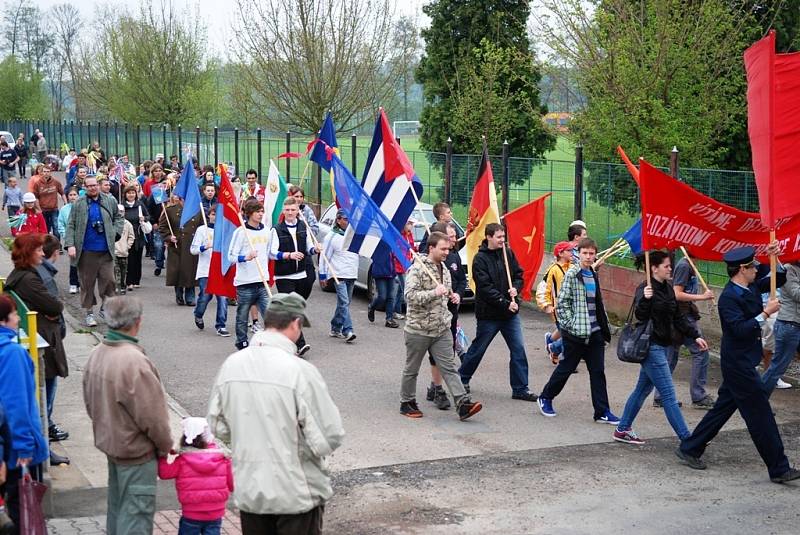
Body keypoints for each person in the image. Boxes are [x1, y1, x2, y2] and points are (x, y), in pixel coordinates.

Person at [207, 293, 344, 534]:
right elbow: (328, 436)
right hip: (296, 490)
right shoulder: (300, 371)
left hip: (251, 488)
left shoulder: (232, 365)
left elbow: (218, 426)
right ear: (295, 324)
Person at [677, 245, 800, 483]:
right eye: (752, 266)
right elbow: (739, 330)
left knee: (722, 409)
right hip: (738, 365)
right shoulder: (729, 298)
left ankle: (690, 448)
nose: (757, 268)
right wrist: (765, 314)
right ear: (742, 270)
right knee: (760, 414)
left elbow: (780, 276)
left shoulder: (751, 285)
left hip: (744, 361)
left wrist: (775, 256)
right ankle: (779, 468)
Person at [83, 296, 173, 533]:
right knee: (135, 519)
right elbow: (155, 420)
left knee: (117, 511)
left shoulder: (97, 353)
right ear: (137, 322)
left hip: (111, 446)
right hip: (136, 453)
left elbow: (90, 403)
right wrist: (165, 446)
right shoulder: (134, 361)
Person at [613, 251, 708, 445]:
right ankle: (688, 440)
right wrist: (646, 299)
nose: (670, 269)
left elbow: (677, 317)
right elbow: (640, 315)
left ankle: (622, 429)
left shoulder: (667, 288)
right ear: (654, 268)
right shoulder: (645, 288)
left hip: (663, 345)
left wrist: (695, 336)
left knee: (642, 390)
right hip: (651, 347)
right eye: (666, 266)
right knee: (668, 395)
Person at [401, 231, 483, 420]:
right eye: (443, 248)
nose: (447, 252)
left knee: (449, 367)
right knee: (411, 369)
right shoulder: (417, 269)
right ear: (431, 248)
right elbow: (409, 297)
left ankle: (462, 403)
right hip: (419, 329)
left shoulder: (444, 268)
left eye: (448, 248)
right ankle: (407, 402)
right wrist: (434, 293)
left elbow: (445, 290)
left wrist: (451, 295)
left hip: (441, 328)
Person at [537, 237, 620, 424]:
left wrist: (602, 326)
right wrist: (570, 325)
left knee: (598, 372)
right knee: (565, 368)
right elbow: (562, 302)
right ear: (578, 254)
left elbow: (597, 302)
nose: (589, 257)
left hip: (595, 332)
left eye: (592, 254)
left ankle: (602, 411)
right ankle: (545, 397)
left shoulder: (593, 273)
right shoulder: (572, 274)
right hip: (576, 333)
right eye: (585, 253)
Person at [4, 234, 70, 464]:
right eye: (39, 250)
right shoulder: (28, 279)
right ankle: (45, 451)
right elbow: (55, 304)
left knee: (45, 399)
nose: (43, 253)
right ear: (28, 253)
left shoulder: (25, 276)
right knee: (45, 401)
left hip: (44, 338)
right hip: (44, 343)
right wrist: (51, 310)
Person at [459, 223, 538, 401]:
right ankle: (462, 378)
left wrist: (516, 289)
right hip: (489, 315)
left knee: (518, 349)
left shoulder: (508, 253)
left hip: (510, 315)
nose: (503, 240)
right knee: (478, 349)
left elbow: (519, 274)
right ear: (489, 237)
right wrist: (504, 303)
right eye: (499, 237)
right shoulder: (479, 259)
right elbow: (485, 288)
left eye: (504, 237)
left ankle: (520, 388)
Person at [0, 294, 49, 533]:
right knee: (23, 513)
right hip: (15, 449)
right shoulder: (11, 354)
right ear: (3, 321)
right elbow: (15, 405)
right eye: (14, 314)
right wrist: (25, 446)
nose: (19, 318)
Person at [64, 174, 124, 327]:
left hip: (106, 251)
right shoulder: (79, 203)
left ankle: (105, 309)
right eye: (89, 186)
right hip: (86, 251)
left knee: (109, 282)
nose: (92, 188)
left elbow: (119, 217)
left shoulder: (109, 200)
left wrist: (115, 233)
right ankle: (89, 313)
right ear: (84, 187)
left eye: (94, 185)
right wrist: (70, 244)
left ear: (98, 185)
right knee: (87, 283)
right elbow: (71, 224)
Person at [158, 417, 233, 535]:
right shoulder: (223, 458)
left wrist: (162, 455)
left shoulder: (182, 460)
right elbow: (233, 485)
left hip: (191, 512)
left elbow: (164, 474)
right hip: (216, 512)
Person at [662, 253, 717, 409]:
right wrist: (703, 297)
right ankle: (698, 396)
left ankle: (661, 396)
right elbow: (677, 294)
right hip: (682, 317)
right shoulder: (684, 266)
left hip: (681, 316)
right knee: (701, 350)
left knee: (670, 356)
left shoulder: (689, 264)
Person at [31, 235, 70, 447]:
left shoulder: (36, 273)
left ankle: (46, 424)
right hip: (47, 336)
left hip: (44, 333)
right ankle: (46, 427)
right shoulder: (43, 275)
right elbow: (54, 308)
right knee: (48, 382)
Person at [270, 196, 319, 356]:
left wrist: (316, 250)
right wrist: (288, 255)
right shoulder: (276, 230)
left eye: (293, 210)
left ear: (298, 211)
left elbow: (309, 247)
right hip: (284, 275)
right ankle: (300, 344)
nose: (290, 212)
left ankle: (281, 331)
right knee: (292, 308)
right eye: (287, 210)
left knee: (297, 308)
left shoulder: (304, 227)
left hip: (302, 274)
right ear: (283, 211)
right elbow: (271, 253)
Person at [425, 221, 465, 410]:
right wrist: (436, 291)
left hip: (451, 314)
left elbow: (460, 281)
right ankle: (440, 389)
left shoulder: (454, 257)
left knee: (447, 353)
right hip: (433, 316)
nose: (454, 240)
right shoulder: (426, 263)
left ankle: (435, 386)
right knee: (438, 354)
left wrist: (458, 293)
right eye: (450, 236)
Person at [228, 198, 271, 350]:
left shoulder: (267, 231)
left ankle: (270, 342)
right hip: (245, 283)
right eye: (257, 212)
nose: (260, 214)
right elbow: (230, 257)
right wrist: (245, 257)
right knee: (242, 315)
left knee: (270, 315)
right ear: (249, 214)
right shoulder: (241, 232)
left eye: (262, 212)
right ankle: (242, 342)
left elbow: (270, 253)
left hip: (262, 281)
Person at [319, 209, 358, 343]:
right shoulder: (331, 236)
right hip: (338, 274)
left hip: (351, 274)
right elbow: (324, 257)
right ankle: (348, 330)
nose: (348, 222)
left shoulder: (354, 235)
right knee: (344, 302)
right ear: (338, 220)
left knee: (344, 304)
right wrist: (323, 275)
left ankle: (335, 327)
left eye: (350, 219)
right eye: (346, 219)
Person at [191, 205, 230, 337]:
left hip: (221, 270)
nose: (215, 217)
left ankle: (221, 325)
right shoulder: (202, 230)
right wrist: (204, 247)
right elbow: (193, 250)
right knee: (206, 296)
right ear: (209, 215)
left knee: (223, 298)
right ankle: (198, 314)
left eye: (218, 215)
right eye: (213, 214)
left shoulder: (225, 230)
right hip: (206, 270)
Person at [762, 260, 799, 394]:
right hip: (789, 324)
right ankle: (758, 400)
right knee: (777, 367)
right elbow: (797, 294)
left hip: (794, 324)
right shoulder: (789, 269)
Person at [159, 194, 200, 306]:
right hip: (177, 246)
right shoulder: (170, 211)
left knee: (191, 272)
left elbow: (202, 228)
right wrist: (168, 237)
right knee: (178, 271)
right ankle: (179, 293)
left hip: (191, 246)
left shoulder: (197, 210)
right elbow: (162, 227)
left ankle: (190, 295)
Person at [537, 241, 573, 365]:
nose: (572, 252)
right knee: (571, 337)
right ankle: (560, 354)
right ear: (561, 253)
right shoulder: (553, 270)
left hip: (571, 309)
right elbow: (544, 289)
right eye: (569, 250)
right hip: (559, 310)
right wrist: (546, 305)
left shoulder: (571, 267)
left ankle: (552, 343)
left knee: (567, 333)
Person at [121, 185, 150, 291]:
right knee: (129, 259)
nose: (131, 195)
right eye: (129, 193)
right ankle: (129, 282)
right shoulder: (122, 206)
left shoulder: (140, 205)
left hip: (139, 236)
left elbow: (148, 216)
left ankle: (136, 280)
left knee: (138, 259)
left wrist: (144, 218)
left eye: (133, 193)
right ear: (125, 194)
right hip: (127, 236)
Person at [31, 164, 66, 238]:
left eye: (48, 171)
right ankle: (47, 246)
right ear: (42, 172)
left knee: (56, 228)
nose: (46, 173)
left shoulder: (56, 182)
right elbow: (36, 198)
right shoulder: (37, 184)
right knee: (46, 229)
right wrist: (38, 209)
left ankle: (57, 245)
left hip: (54, 209)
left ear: (50, 172)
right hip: (43, 209)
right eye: (44, 171)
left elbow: (62, 193)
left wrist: (66, 203)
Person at [58, 187, 81, 294]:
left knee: (83, 262)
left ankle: (81, 283)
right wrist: (65, 235)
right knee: (73, 261)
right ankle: (73, 283)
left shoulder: (84, 208)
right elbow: (61, 224)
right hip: (70, 239)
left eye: (74, 195)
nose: (73, 197)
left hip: (82, 239)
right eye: (70, 195)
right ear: (67, 197)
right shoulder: (64, 209)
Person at [367, 253, 399, 328]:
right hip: (380, 272)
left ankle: (389, 319)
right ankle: (372, 307)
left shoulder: (392, 244)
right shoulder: (377, 243)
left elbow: (395, 255)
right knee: (382, 296)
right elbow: (372, 255)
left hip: (391, 272)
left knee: (391, 296)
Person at [393, 219, 417, 319]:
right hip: (400, 267)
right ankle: (410, 312)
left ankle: (396, 310)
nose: (411, 226)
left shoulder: (409, 234)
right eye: (409, 224)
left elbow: (412, 247)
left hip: (408, 265)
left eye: (412, 224)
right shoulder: (399, 236)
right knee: (406, 290)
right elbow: (397, 251)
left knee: (399, 290)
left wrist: (416, 252)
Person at [114, 205, 136, 295]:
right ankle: (117, 286)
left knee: (123, 271)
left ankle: (123, 286)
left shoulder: (128, 224)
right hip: (114, 251)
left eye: (122, 211)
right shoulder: (112, 223)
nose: (120, 213)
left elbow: (131, 237)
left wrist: (127, 246)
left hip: (124, 252)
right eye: (118, 211)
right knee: (116, 271)